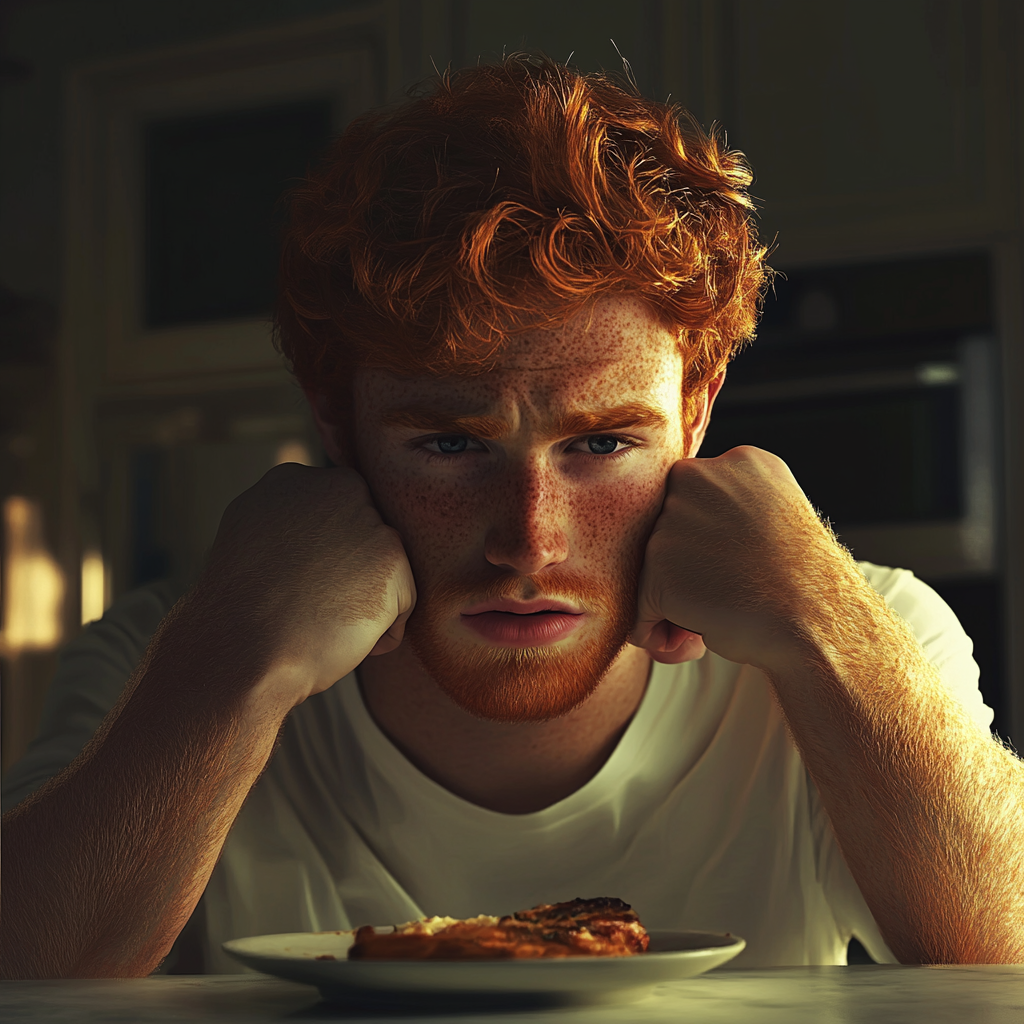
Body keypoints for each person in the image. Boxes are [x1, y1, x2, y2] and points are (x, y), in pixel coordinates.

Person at [2, 56, 1022, 979]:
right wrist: (228, 667)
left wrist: (820, 622)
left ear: (696, 409)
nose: (529, 541)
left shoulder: (871, 630)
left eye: (600, 445)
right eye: (450, 445)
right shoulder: (164, 657)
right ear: (336, 423)